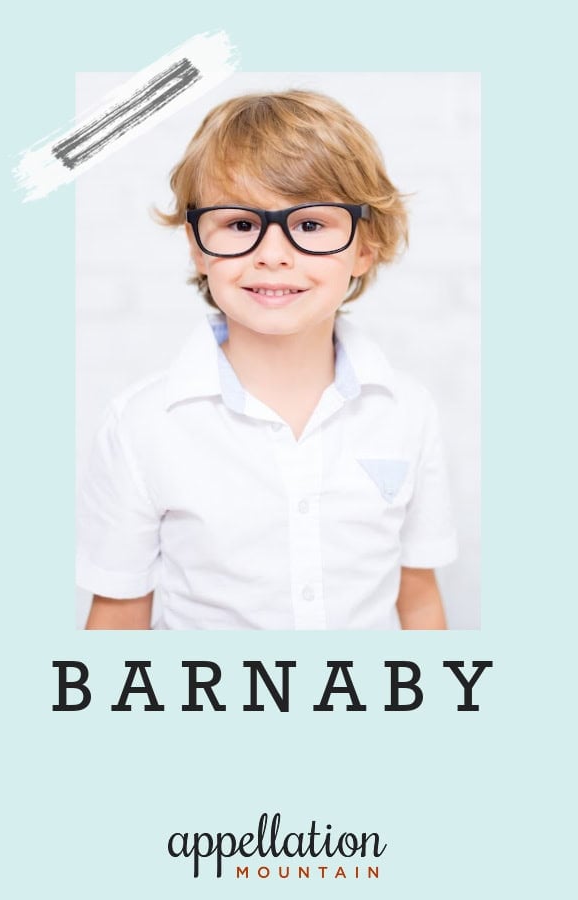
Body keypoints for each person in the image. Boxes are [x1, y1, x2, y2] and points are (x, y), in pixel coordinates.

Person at [77, 89, 457, 630]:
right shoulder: (142, 426)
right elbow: (117, 623)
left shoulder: (408, 413)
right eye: (240, 225)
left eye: (310, 225)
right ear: (197, 246)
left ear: (364, 247)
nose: (273, 254)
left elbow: (418, 600)